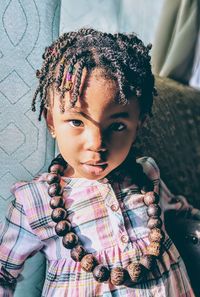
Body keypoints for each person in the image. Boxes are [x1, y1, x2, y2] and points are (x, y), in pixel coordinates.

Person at [0, 28, 195, 296]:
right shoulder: (36, 201)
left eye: (116, 125)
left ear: (139, 125)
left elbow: (179, 213)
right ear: (51, 121)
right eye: (77, 122)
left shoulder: (147, 175)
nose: (97, 143)